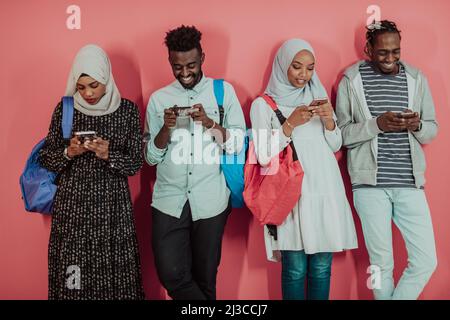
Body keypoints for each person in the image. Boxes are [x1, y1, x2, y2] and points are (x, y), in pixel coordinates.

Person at [335, 20, 438, 300]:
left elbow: (432, 129)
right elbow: (341, 134)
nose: (390, 58)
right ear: (368, 49)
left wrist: (416, 125)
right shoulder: (351, 80)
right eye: (383, 52)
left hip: (410, 182)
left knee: (427, 260)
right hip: (369, 185)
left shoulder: (416, 79)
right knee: (381, 265)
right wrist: (377, 124)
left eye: (396, 51)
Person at [250, 39, 358, 300]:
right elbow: (263, 156)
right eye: (297, 67)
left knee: (322, 269)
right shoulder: (263, 105)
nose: (304, 75)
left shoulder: (318, 95)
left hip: (325, 189)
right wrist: (289, 125)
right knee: (295, 270)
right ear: (283, 65)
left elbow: (335, 145)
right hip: (291, 195)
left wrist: (329, 120)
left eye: (310, 68)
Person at [144, 25, 246, 300]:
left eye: (191, 64)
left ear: (202, 57)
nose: (185, 73)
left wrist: (210, 123)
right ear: (170, 62)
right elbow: (151, 158)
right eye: (178, 67)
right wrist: (165, 129)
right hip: (168, 199)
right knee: (171, 274)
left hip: (211, 198)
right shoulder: (158, 100)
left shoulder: (223, 92)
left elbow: (237, 143)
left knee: (205, 279)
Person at [39, 44, 145, 300]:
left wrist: (109, 153)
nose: (87, 93)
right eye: (81, 86)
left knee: (115, 278)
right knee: (73, 281)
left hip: (112, 210)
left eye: (94, 85)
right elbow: (46, 158)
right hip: (73, 209)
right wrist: (69, 152)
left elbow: (135, 164)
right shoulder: (64, 109)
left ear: (107, 78)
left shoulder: (127, 111)